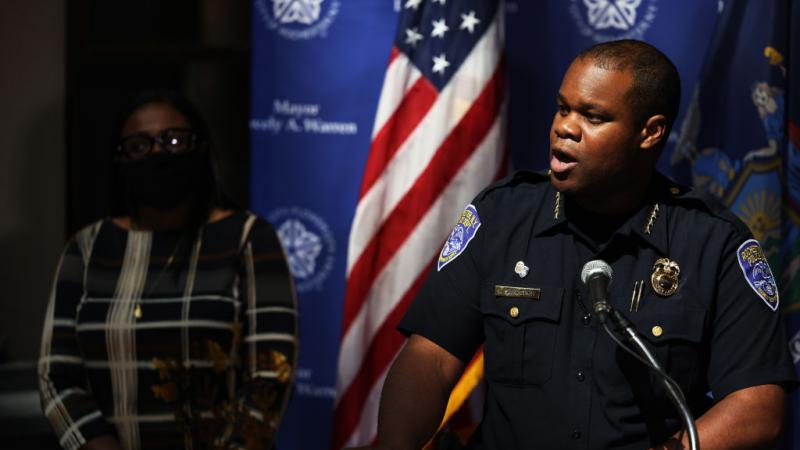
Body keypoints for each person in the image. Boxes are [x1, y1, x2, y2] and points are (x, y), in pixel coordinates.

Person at [366, 40, 798, 449]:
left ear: (649, 133)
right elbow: (431, 358)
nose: (564, 128)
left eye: (592, 116)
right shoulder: (501, 216)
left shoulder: (713, 242)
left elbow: (758, 407)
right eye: (562, 108)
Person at [38, 91, 297, 450]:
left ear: (201, 148)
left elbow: (273, 371)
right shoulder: (86, 248)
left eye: (175, 140)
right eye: (139, 146)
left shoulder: (249, 239)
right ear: (120, 159)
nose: (159, 153)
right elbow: (57, 375)